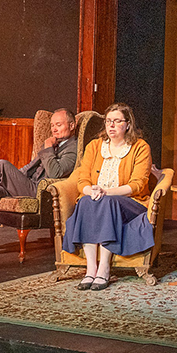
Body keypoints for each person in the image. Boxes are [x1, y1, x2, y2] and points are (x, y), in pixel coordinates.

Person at [0, 108, 77, 258]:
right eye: (52, 125)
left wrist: (47, 148)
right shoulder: (52, 143)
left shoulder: (73, 148)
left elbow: (55, 173)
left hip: (41, 192)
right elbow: (30, 167)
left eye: (58, 125)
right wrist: (12, 178)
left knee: (1, 165)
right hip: (28, 184)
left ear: (71, 125)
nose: (54, 129)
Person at [61, 103, 153, 291]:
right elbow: (82, 179)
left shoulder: (140, 147)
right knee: (86, 200)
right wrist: (91, 191)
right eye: (108, 121)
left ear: (127, 124)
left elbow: (138, 184)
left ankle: (104, 268)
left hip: (131, 203)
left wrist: (106, 192)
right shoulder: (94, 146)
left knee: (106, 202)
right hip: (98, 199)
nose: (111, 125)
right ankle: (91, 270)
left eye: (117, 121)